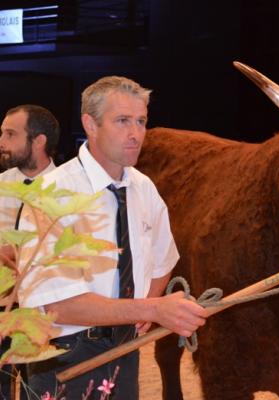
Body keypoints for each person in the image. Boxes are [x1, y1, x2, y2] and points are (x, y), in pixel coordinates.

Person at [16, 77, 208, 399]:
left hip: (124, 351)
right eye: (122, 121)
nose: (136, 134)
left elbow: (163, 260)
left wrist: (140, 312)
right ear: (90, 124)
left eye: (141, 121)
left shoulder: (143, 188)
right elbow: (59, 306)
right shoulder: (51, 196)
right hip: (60, 357)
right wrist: (149, 309)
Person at [0, 104, 59, 400]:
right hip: (1, 309)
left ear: (39, 141)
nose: (1, 142)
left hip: (44, 312)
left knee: (37, 390)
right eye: (2, 133)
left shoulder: (66, 189)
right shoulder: (0, 185)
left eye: (10, 134)